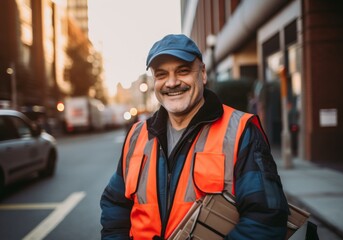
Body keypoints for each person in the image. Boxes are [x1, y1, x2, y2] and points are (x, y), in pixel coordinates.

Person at [100, 34, 289, 240]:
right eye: (161, 74)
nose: (171, 83)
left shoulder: (240, 131)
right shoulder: (137, 135)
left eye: (183, 71)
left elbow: (266, 218)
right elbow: (115, 204)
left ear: (203, 74)